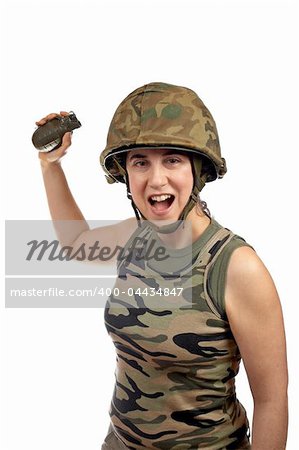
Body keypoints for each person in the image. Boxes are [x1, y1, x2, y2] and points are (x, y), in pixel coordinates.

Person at [36, 82, 288, 450]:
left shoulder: (236, 266)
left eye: (172, 159)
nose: (156, 180)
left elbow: (271, 401)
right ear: (125, 174)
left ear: (197, 170)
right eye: (141, 162)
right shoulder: (135, 236)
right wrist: (50, 165)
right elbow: (76, 245)